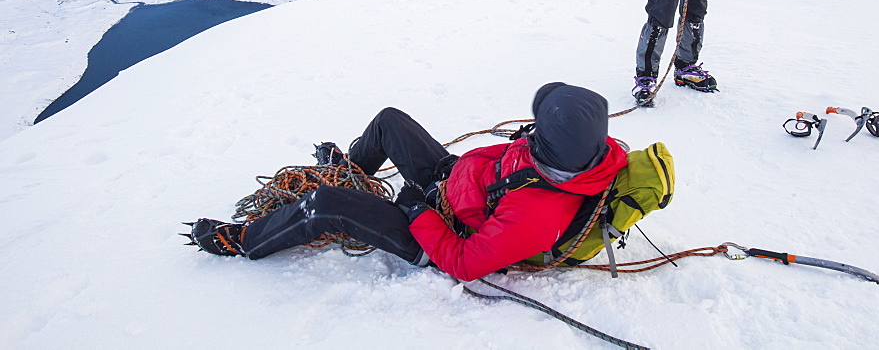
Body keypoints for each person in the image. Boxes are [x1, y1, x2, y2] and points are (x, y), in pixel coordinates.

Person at [185, 83, 628, 282]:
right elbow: (500, 160)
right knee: (388, 122)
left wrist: (417, 211)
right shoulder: (581, 149)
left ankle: (244, 240)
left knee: (325, 204)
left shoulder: (538, 211)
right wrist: (451, 173)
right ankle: (355, 171)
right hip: (456, 186)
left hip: (441, 234)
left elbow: (466, 263)